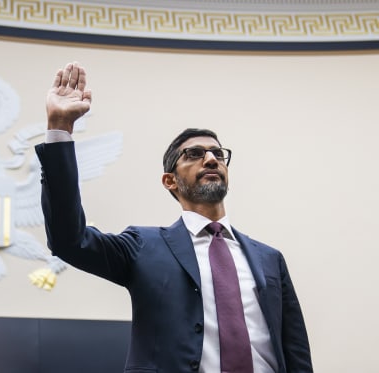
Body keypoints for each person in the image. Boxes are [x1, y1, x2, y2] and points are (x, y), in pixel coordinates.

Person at [35, 62, 313, 373]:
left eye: (218, 154)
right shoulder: (143, 246)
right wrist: (60, 127)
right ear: (170, 180)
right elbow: (68, 240)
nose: (210, 158)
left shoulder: (270, 259)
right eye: (194, 154)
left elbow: (296, 352)